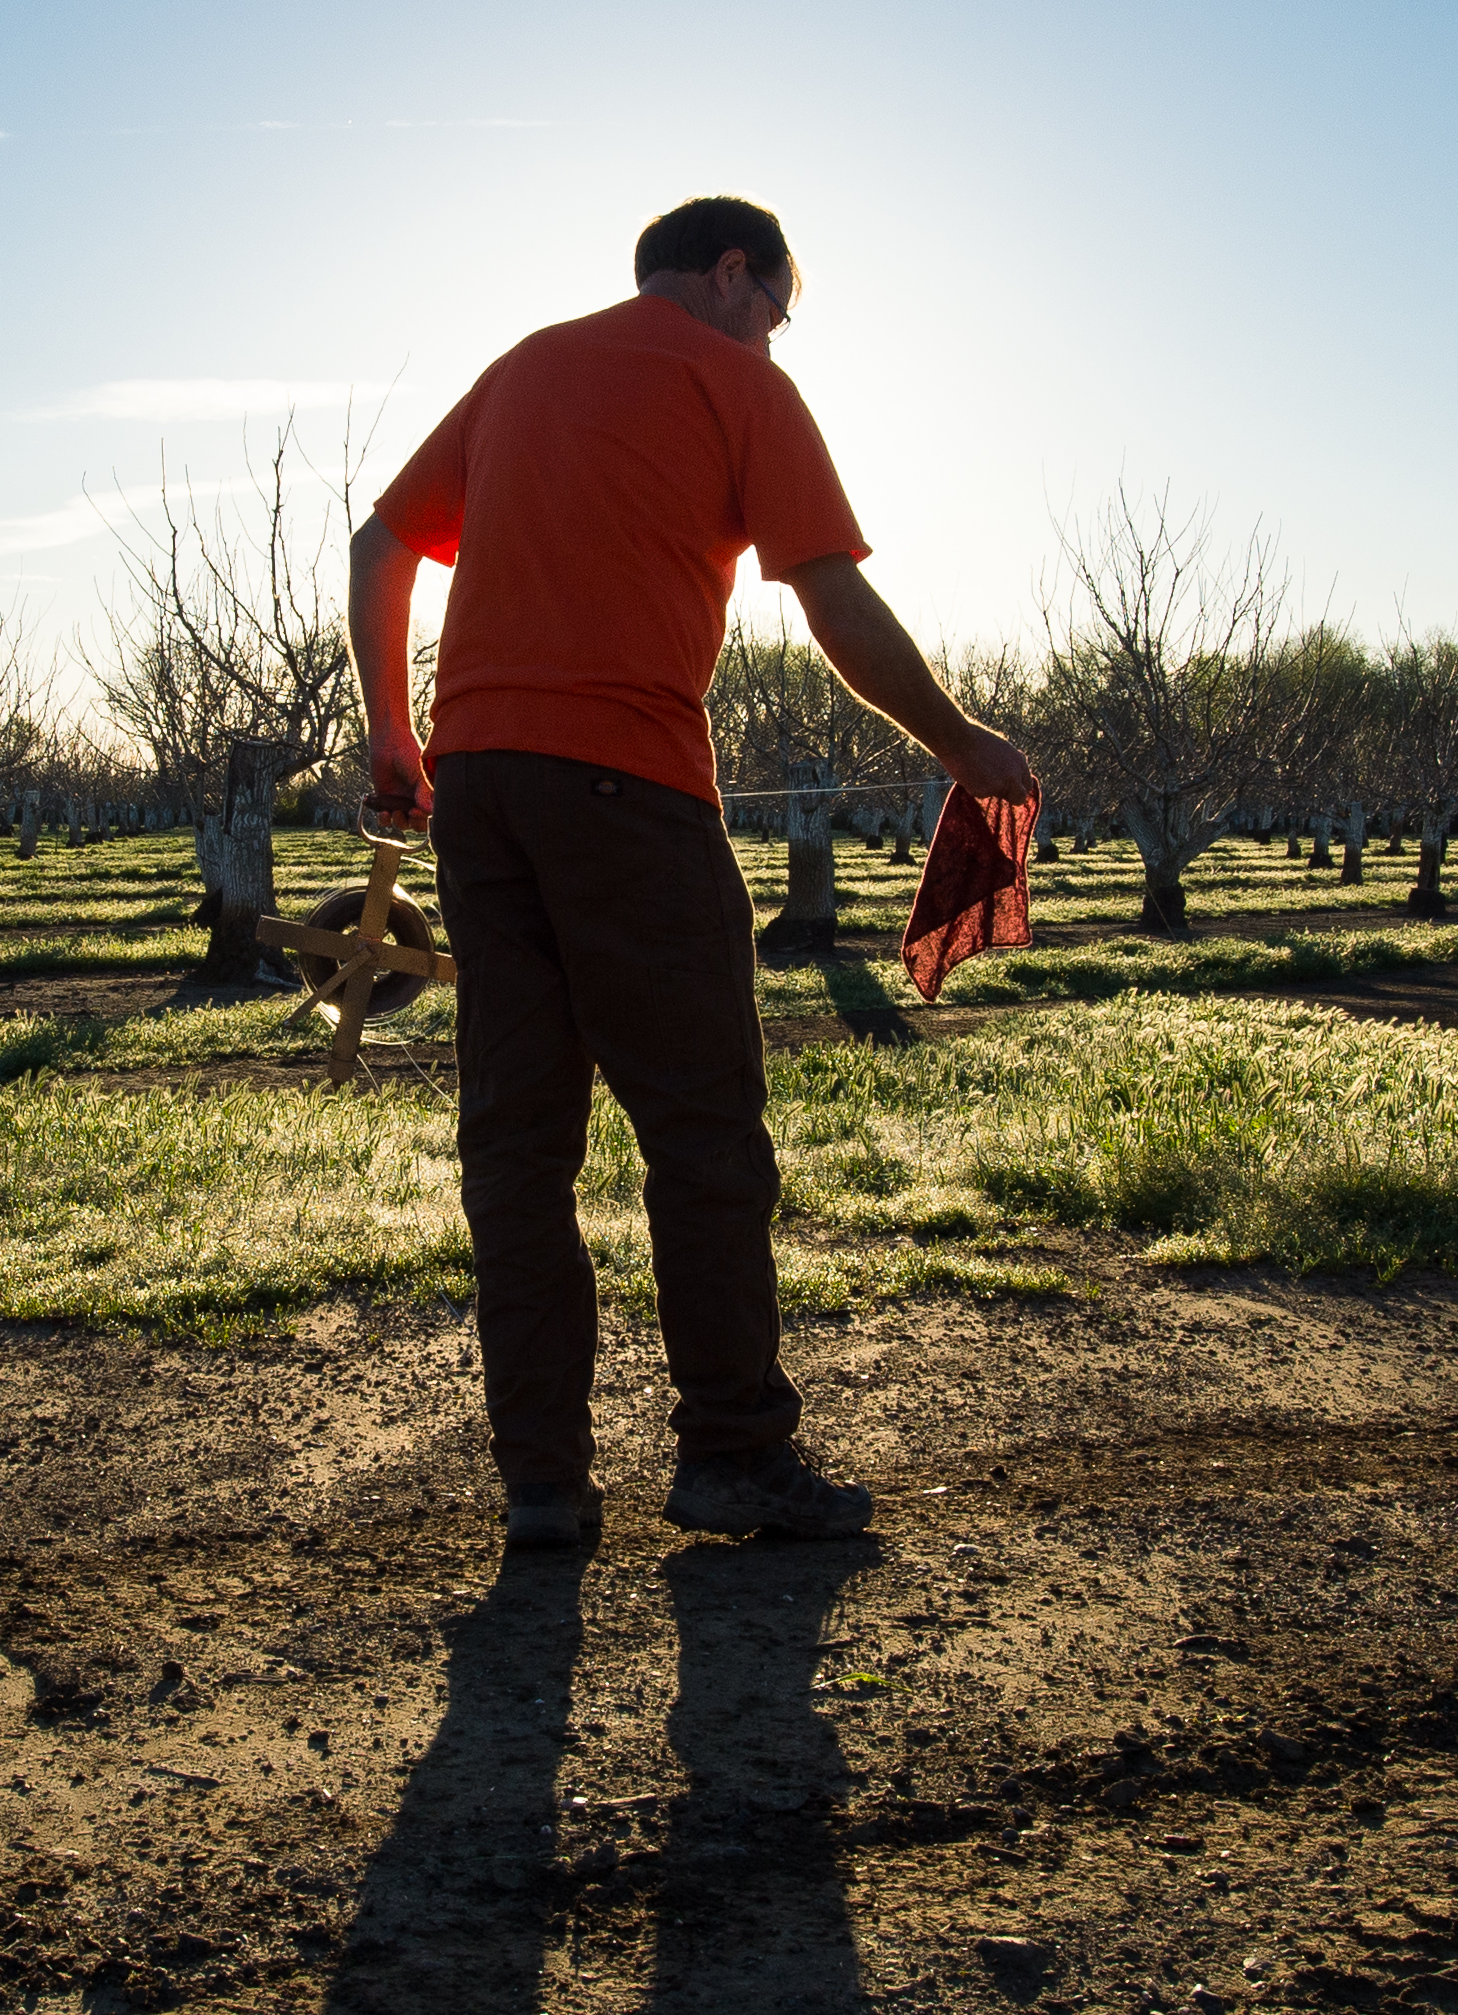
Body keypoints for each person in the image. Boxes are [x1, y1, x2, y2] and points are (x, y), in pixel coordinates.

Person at [347, 194, 1038, 1556]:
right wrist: (962, 743)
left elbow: (382, 543)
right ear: (734, 276)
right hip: (629, 786)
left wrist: (393, 732)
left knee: (516, 1144)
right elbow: (830, 596)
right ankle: (730, 1454)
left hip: (479, 788)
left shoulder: (523, 366)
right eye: (781, 312)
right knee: (705, 1142)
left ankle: (541, 1487)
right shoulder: (735, 382)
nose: (779, 341)